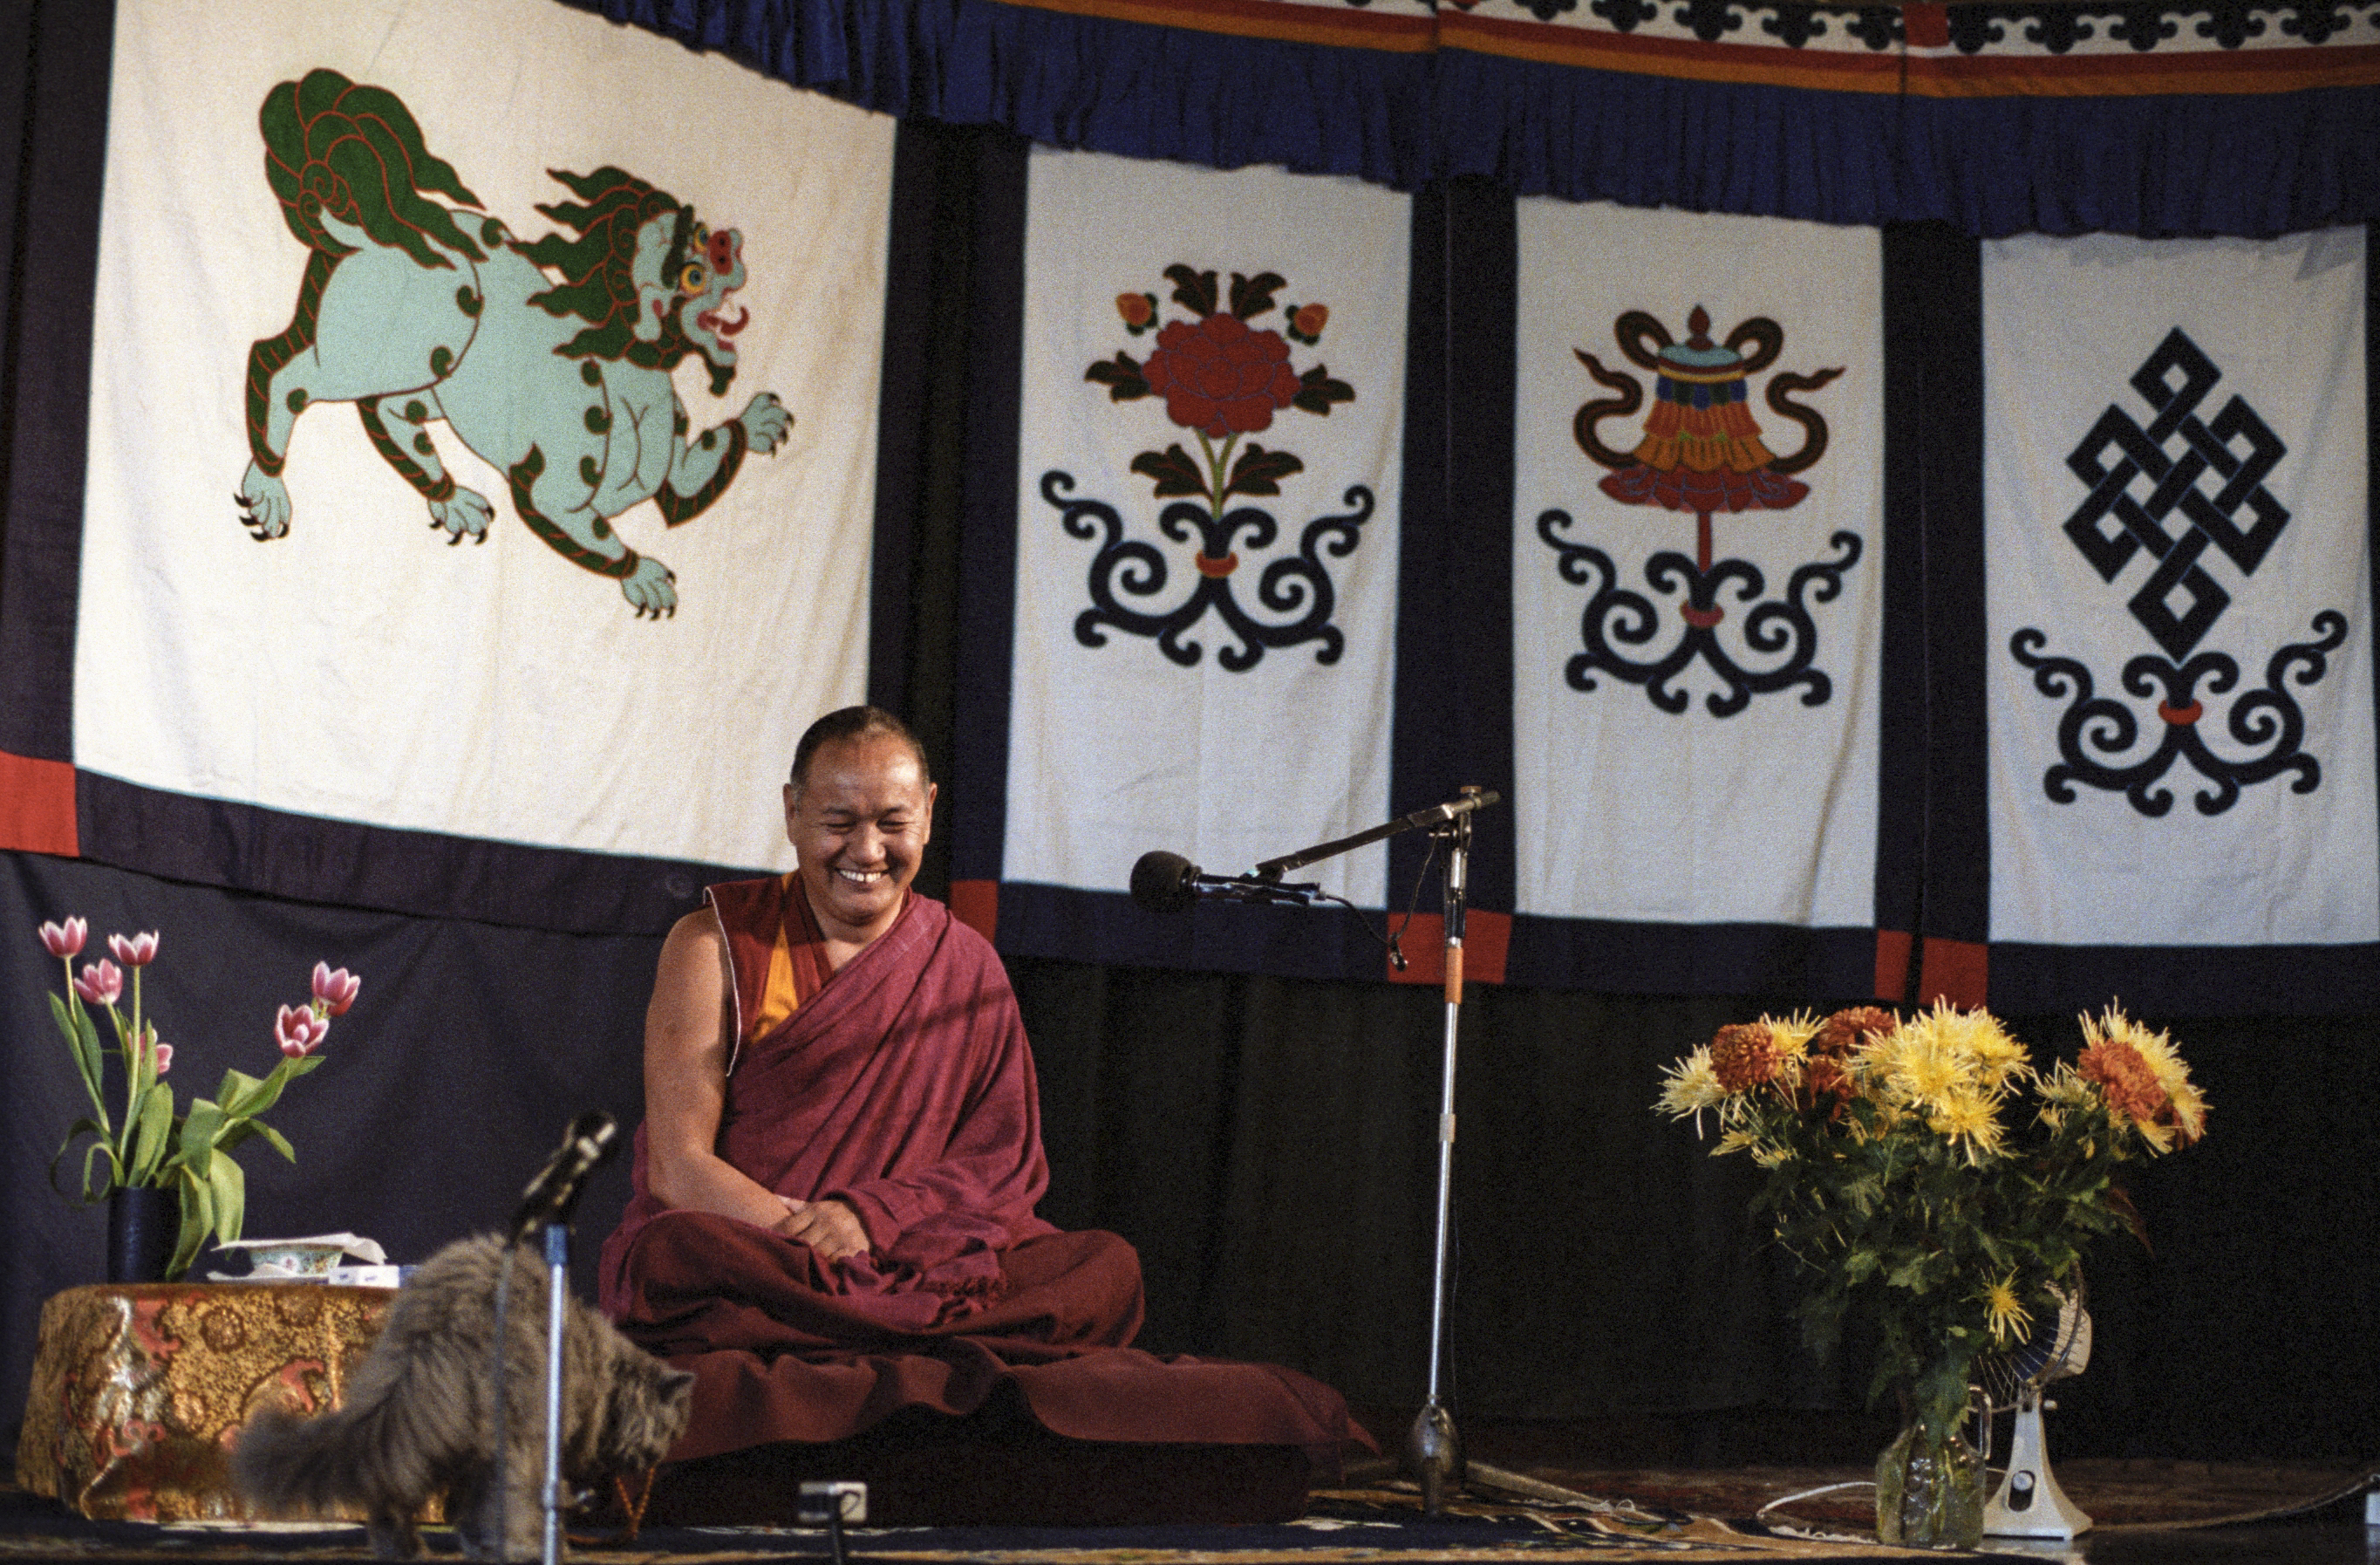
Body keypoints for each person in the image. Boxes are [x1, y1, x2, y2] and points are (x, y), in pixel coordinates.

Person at [597, 707, 1363, 1518]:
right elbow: (681, 1167)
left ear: (927, 810)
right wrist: (820, 1245)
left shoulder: (962, 961)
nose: (866, 852)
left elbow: (1000, 1167)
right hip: (773, 1253)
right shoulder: (714, 943)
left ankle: (870, 1336)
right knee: (672, 1250)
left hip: (901, 1254)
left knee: (1100, 1268)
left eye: (893, 823)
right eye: (837, 823)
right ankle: (907, 1339)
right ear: (792, 812)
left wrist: (869, 1216)